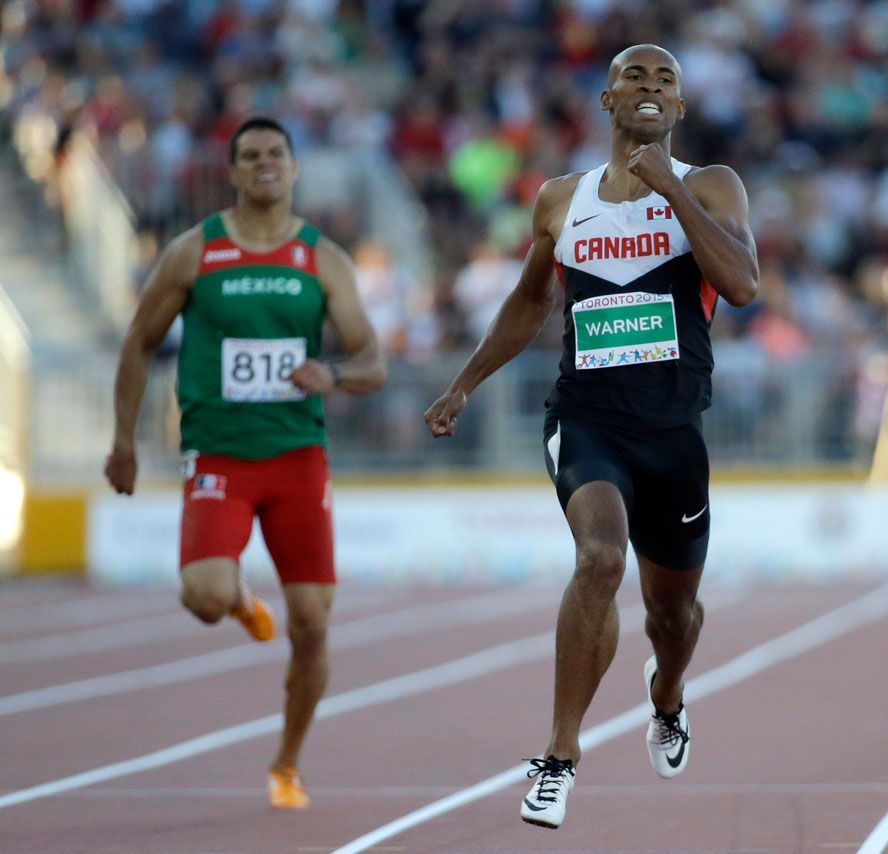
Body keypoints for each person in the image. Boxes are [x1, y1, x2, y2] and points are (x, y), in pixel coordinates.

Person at [424, 43, 758, 829]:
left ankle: (667, 695)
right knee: (600, 557)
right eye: (633, 77)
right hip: (586, 418)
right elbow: (527, 303)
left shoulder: (710, 185)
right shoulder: (560, 201)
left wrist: (673, 190)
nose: (649, 87)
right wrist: (463, 383)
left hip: (674, 429)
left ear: (678, 109)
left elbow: (742, 285)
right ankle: (559, 756)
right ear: (607, 101)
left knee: (673, 617)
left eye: (665, 79)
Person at [104, 117, 386, 807]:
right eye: (250, 156)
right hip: (219, 458)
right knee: (203, 598)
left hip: (296, 460)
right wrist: (123, 441)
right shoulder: (193, 252)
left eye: (275, 155)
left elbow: (373, 362)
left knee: (314, 625)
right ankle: (240, 599)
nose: (264, 165)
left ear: (293, 169)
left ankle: (286, 765)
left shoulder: (324, 258)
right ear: (232, 172)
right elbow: (139, 343)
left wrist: (335, 377)